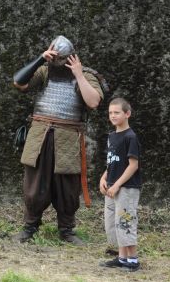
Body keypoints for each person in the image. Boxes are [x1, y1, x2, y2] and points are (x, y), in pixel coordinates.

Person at [12, 35, 103, 244]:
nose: (58, 62)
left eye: (61, 58)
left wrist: (78, 74)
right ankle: (30, 226)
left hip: (68, 138)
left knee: (67, 187)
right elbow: (18, 82)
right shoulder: (44, 72)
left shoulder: (85, 75)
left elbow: (93, 101)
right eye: (54, 57)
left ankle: (67, 229)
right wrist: (40, 59)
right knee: (34, 185)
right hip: (40, 135)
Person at [99, 98, 142, 272]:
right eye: (110, 112)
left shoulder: (130, 137)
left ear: (127, 114)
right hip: (112, 187)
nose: (113, 115)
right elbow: (112, 163)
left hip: (126, 188)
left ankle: (133, 260)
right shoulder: (112, 137)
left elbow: (133, 165)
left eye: (117, 112)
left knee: (125, 222)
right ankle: (122, 258)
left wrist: (116, 185)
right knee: (115, 222)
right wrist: (104, 178)